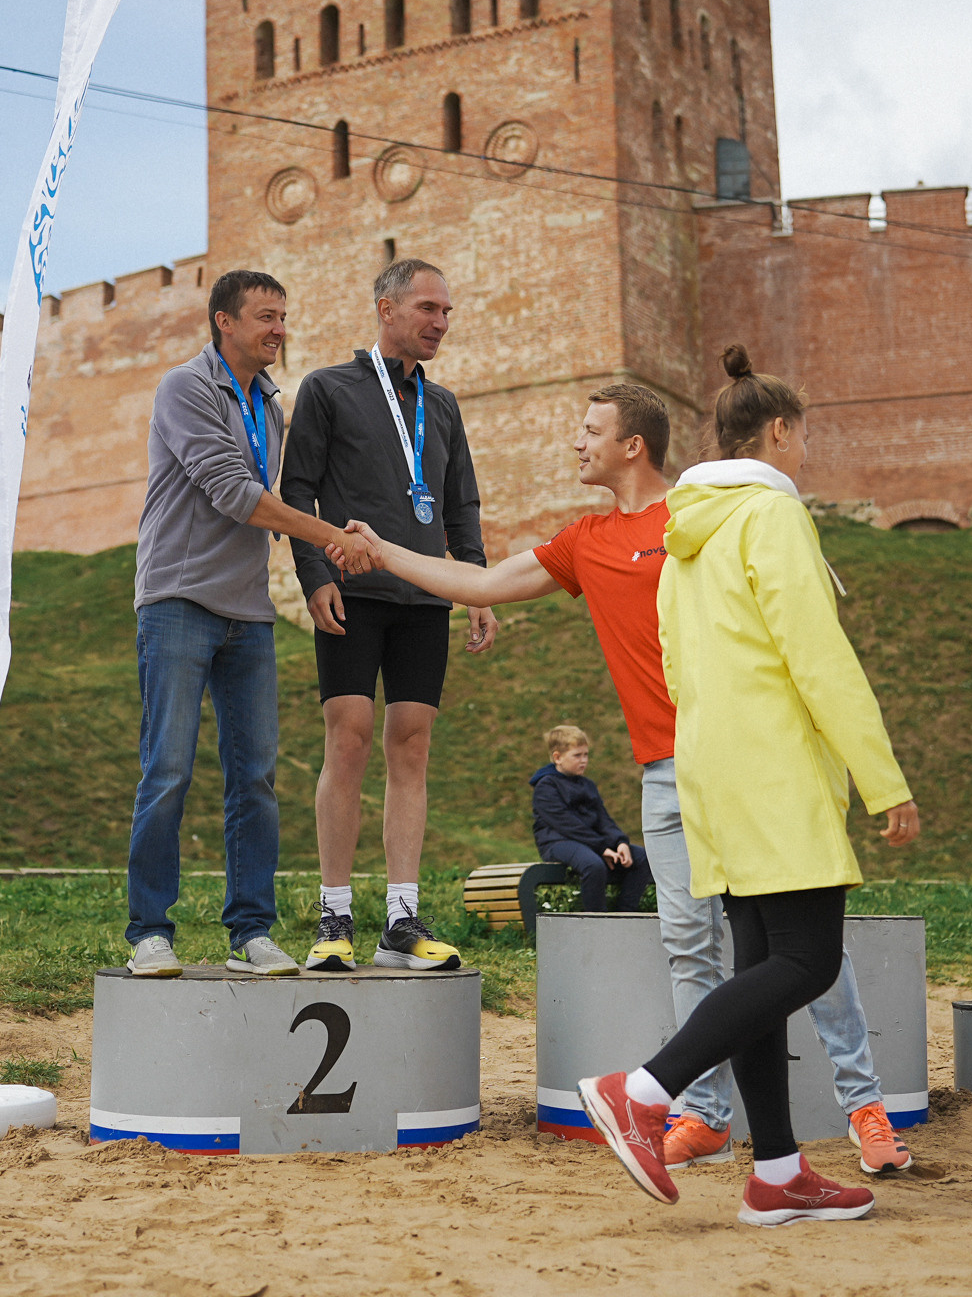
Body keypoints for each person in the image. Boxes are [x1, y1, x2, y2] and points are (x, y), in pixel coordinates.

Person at [342, 382, 917, 1178]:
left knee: (805, 950)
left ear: (632, 444)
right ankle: (707, 1118)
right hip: (665, 773)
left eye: (590, 431)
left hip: (750, 759)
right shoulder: (587, 540)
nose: (576, 444)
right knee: (696, 947)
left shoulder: (700, 514)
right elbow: (480, 582)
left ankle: (864, 1105)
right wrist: (383, 552)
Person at [575, 347, 918, 1227]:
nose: (803, 456)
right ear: (778, 431)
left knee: (763, 967)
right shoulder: (770, 515)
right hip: (774, 772)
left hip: (710, 773)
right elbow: (818, 656)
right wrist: (884, 782)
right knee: (808, 960)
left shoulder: (684, 526)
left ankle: (777, 1173)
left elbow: (679, 664)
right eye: (802, 439)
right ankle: (643, 1090)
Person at [122, 271, 357, 978]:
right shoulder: (185, 388)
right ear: (224, 322)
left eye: (283, 317)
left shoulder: (272, 407)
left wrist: (316, 570)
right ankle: (149, 934)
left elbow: (273, 501)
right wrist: (332, 536)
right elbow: (235, 493)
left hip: (248, 610)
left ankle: (251, 931)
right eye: (264, 317)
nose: (278, 329)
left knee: (253, 777)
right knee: (167, 769)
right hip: (178, 600)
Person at [282, 259, 496, 973]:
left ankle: (401, 921)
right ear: (386, 308)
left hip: (425, 597)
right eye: (429, 308)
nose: (440, 322)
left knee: (411, 747)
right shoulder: (328, 388)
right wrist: (315, 576)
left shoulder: (445, 406)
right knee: (349, 739)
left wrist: (475, 588)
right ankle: (334, 914)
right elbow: (299, 490)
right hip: (353, 593)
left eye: (447, 312)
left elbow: (460, 502)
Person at [532, 725, 650, 912]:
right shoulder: (546, 787)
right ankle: (597, 921)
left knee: (642, 858)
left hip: (591, 842)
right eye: (577, 755)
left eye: (586, 755)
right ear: (558, 757)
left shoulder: (587, 785)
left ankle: (626, 914)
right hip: (557, 842)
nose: (584, 761)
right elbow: (567, 824)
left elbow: (603, 819)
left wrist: (619, 842)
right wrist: (601, 847)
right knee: (593, 865)